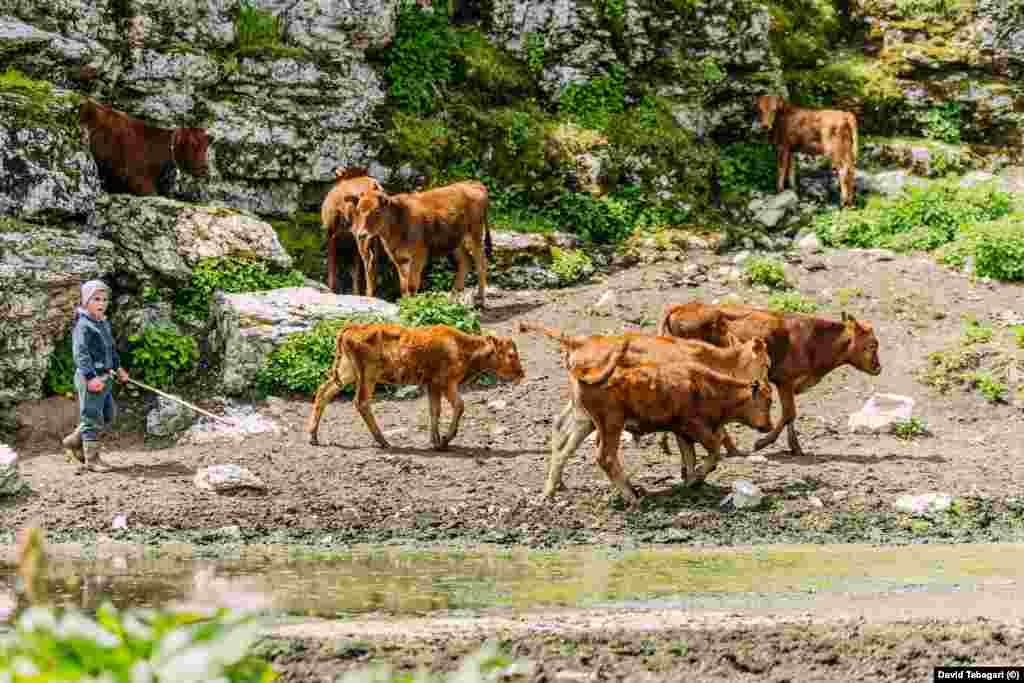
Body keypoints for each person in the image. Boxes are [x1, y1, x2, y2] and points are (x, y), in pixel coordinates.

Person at [61, 280, 130, 472]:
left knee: (108, 414)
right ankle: (91, 459)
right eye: (96, 299)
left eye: (105, 299)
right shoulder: (83, 326)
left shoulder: (103, 323)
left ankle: (74, 440)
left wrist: (119, 368)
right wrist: (91, 377)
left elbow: (111, 349)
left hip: (106, 378)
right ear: (85, 302)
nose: (101, 303)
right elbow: (80, 354)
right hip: (90, 378)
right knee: (92, 416)